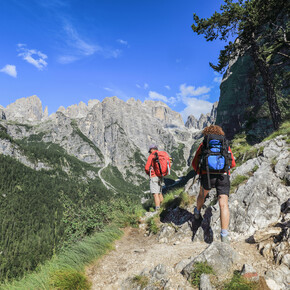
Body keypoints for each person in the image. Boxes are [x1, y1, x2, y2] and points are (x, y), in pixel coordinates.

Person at [191, 125, 236, 243]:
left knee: (202, 194)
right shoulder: (224, 143)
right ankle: (224, 236)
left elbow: (194, 163)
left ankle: (197, 211)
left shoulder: (204, 144)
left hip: (207, 175)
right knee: (223, 204)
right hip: (223, 176)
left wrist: (202, 170)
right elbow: (233, 163)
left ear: (206, 133)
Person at [145, 144, 164, 211]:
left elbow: (147, 168)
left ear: (151, 149)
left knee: (155, 194)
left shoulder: (152, 156)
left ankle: (157, 209)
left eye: (150, 151)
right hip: (160, 176)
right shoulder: (160, 154)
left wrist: (149, 173)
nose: (150, 152)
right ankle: (163, 206)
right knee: (159, 192)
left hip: (154, 176)